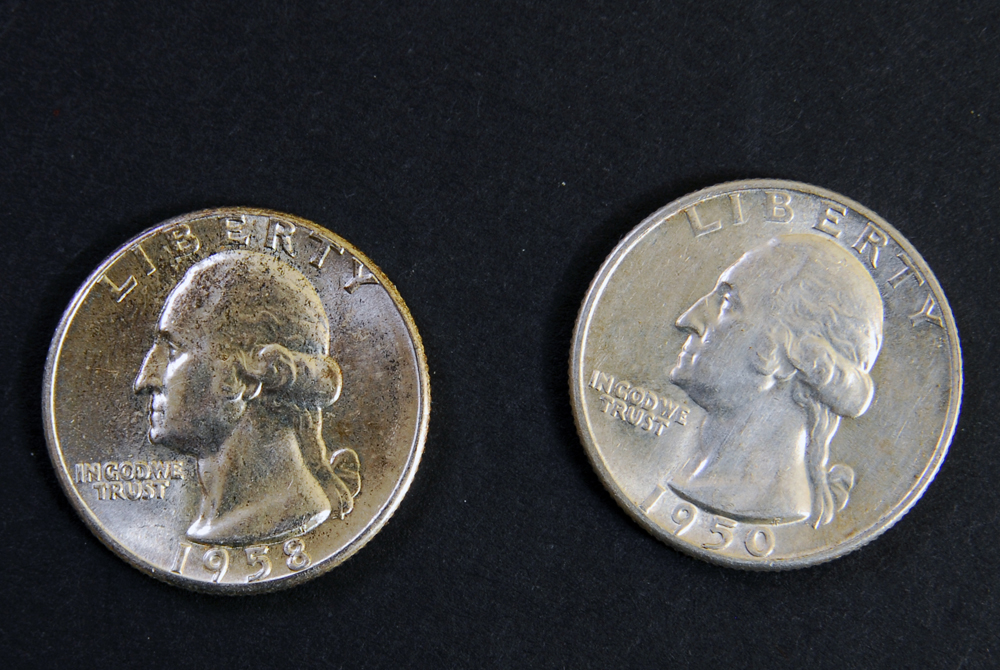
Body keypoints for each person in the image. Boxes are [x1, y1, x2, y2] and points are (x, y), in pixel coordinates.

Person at [134, 250, 360, 546]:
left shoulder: (285, 512)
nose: (144, 380)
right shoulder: (218, 518)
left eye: (174, 350)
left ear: (247, 374)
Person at [667, 234, 882, 528]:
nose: (687, 319)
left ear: (794, 355)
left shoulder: (768, 500)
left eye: (728, 302)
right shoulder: (694, 476)